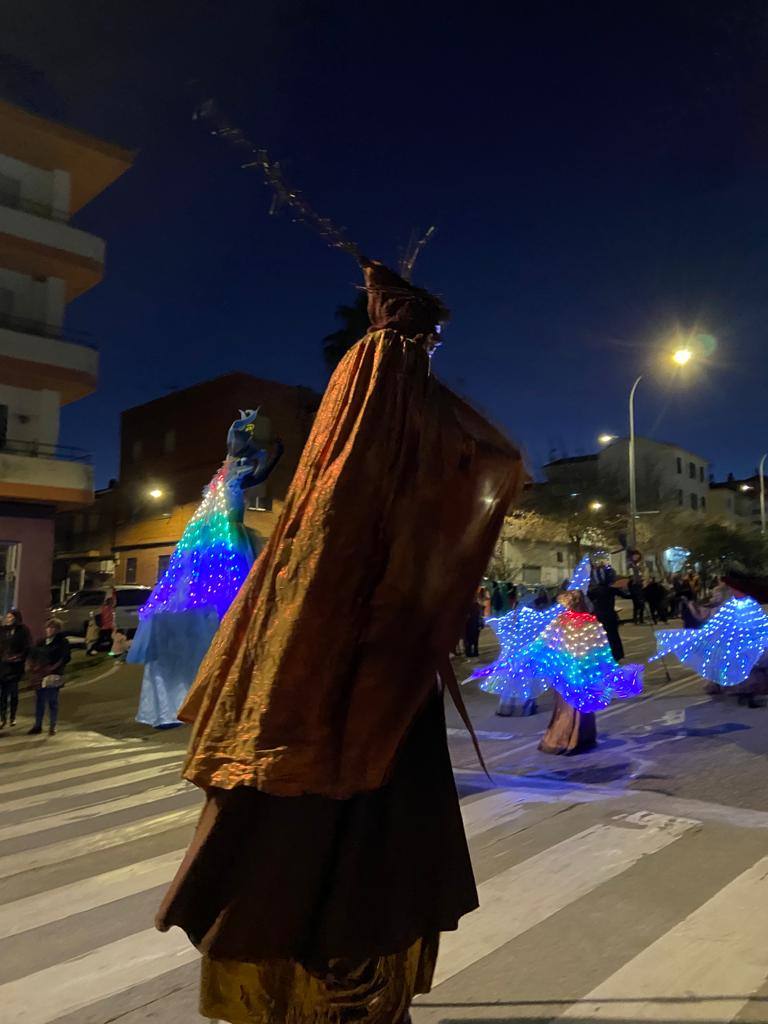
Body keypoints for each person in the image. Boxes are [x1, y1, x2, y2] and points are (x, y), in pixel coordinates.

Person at [155, 259, 524, 1024]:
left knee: (352, 865)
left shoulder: (384, 418)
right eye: (423, 345)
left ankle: (345, 985)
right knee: (321, 860)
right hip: (341, 689)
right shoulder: (374, 406)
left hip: (373, 688)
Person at [128, 412, 283, 728]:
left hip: (228, 533)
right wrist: (266, 450)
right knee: (227, 581)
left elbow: (256, 468)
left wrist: (267, 450)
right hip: (221, 535)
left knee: (235, 581)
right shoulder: (228, 475)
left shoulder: (232, 475)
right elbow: (255, 467)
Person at [26, 618, 70, 736]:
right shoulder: (41, 642)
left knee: (52, 700)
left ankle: (53, 725)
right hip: (40, 674)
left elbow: (64, 658)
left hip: (53, 674)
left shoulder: (62, 642)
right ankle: (37, 725)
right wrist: (33, 666)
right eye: (48, 628)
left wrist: (53, 668)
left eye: (52, 628)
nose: (49, 630)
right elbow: (33, 654)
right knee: (40, 700)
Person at [0, 609, 31, 728]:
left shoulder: (23, 631)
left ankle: (12, 716)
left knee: (13, 693)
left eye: (11, 617)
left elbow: (27, 646)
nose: (9, 620)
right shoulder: (2, 630)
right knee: (2, 694)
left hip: (15, 667)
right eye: (7, 617)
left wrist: (20, 657)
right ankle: (2, 717)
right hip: (3, 666)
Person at [587, 578, 624, 661]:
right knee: (614, 635)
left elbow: (588, 598)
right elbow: (625, 595)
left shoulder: (594, 592)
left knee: (604, 638)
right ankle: (618, 654)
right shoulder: (612, 590)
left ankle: (609, 655)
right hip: (611, 616)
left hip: (601, 617)